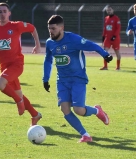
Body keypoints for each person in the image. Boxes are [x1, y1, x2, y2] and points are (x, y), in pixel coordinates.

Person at [43, 15, 113, 143]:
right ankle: (85, 135)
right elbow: (48, 60)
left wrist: (105, 54)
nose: (50, 31)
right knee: (64, 109)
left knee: (79, 110)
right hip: (62, 81)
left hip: (78, 79)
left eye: (53, 28)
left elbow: (92, 45)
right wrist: (45, 79)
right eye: (49, 29)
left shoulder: (74, 39)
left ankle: (97, 111)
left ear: (61, 28)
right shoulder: (50, 43)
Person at [0, 2, 42, 126]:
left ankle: (18, 101)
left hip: (17, 64)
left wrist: (38, 45)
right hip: (5, 67)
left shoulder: (16, 26)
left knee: (0, 83)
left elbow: (33, 28)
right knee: (18, 93)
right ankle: (35, 115)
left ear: (9, 13)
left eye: (5, 11)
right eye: (0, 11)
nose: (2, 14)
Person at [100, 5, 121, 70]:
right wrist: (103, 36)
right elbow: (105, 28)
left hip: (115, 38)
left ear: (113, 10)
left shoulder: (116, 18)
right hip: (107, 38)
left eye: (110, 10)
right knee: (105, 52)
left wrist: (114, 36)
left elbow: (118, 28)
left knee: (117, 52)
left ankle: (118, 67)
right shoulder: (106, 18)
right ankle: (105, 66)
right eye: (107, 10)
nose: (109, 11)